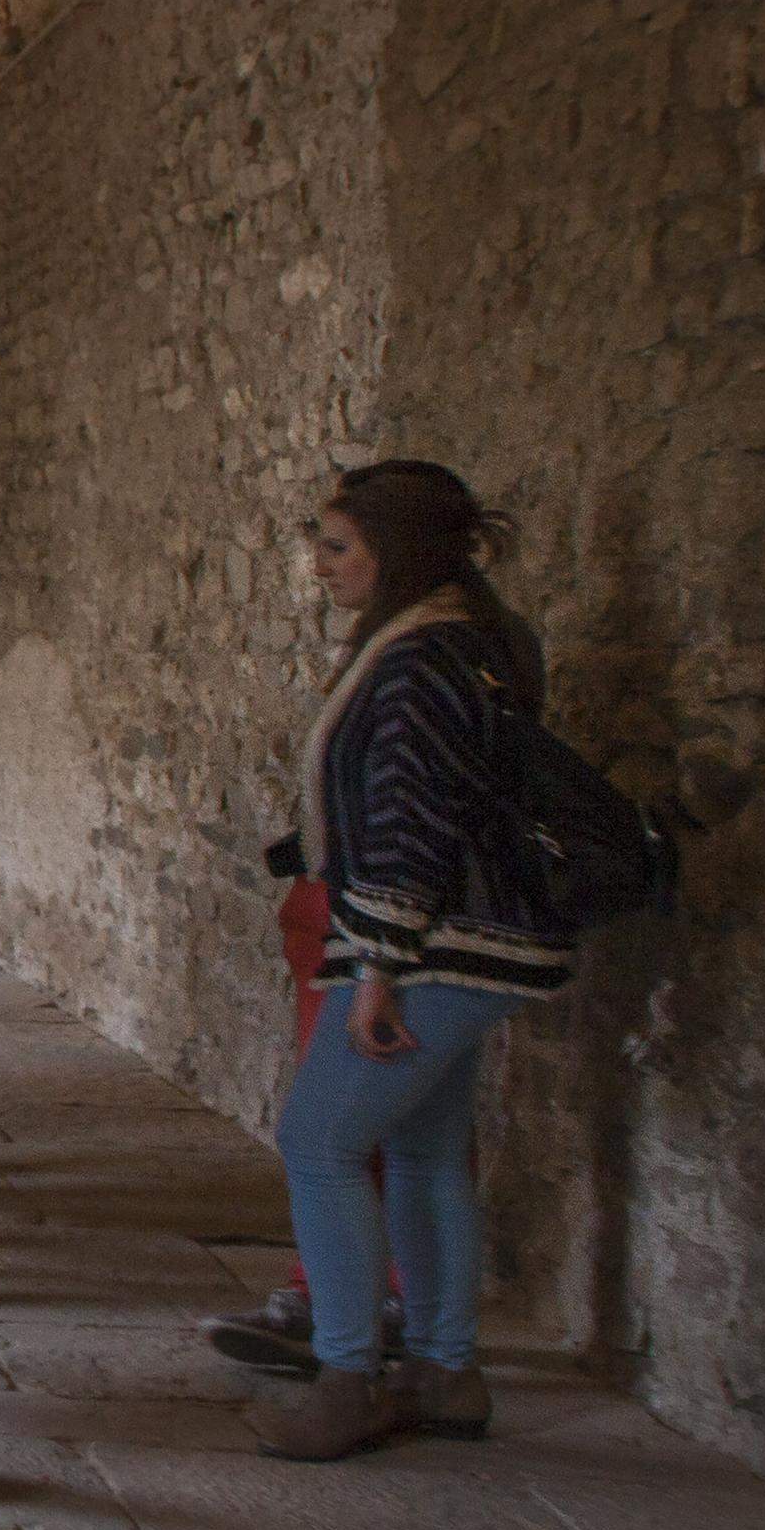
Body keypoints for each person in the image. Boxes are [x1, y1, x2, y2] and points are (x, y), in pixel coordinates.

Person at [244, 461, 571, 1461]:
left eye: (338, 546)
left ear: (396, 555)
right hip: (472, 940)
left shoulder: (419, 659)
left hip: (433, 946)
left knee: (318, 1141)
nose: (321, 564)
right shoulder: (471, 639)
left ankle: (347, 1375)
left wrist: (374, 966)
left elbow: (407, 823)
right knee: (425, 1149)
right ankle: (443, 1368)